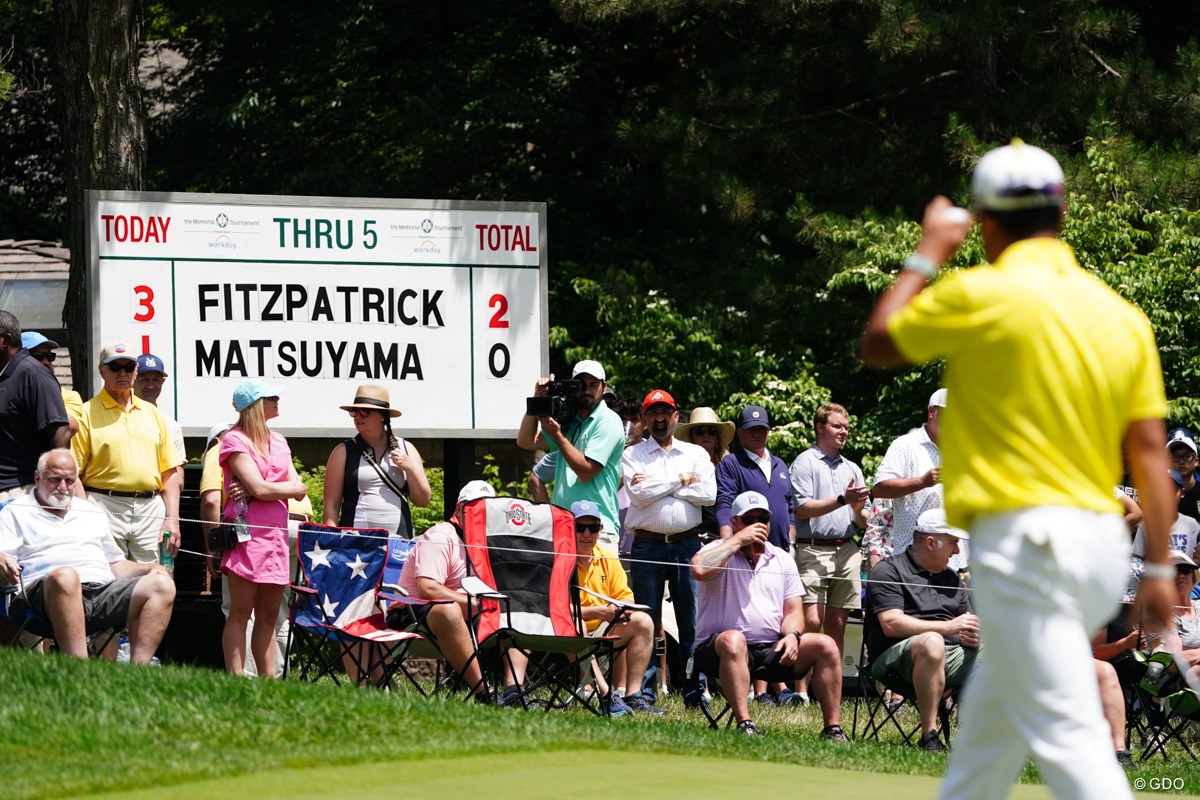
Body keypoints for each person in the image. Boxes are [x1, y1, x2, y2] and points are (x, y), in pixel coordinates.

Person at [861, 139, 1175, 800]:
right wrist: (1158, 568)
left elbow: (880, 341)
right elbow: (1150, 454)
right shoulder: (1119, 315)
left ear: (985, 220)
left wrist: (931, 250)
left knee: (1066, 740)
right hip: (1097, 548)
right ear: (1060, 213)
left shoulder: (979, 291)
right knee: (988, 738)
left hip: (1027, 544)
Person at [690, 491, 847, 739]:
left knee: (825, 644)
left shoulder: (782, 558)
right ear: (734, 522)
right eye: (748, 519)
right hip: (719, 650)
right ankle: (745, 724)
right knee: (733, 639)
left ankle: (833, 729)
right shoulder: (718, 550)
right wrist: (737, 541)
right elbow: (699, 569)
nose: (756, 525)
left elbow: (794, 611)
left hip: (770, 648)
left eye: (762, 518)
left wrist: (793, 635)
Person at [0, 449, 175, 662]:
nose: (63, 487)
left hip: (99, 593)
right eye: (55, 479)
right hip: (41, 597)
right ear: (38, 477)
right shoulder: (15, 511)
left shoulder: (90, 512)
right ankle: (80, 670)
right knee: (66, 576)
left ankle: (138, 673)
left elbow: (115, 564)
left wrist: (148, 569)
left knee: (162, 584)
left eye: (69, 480)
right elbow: (3, 556)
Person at [620, 389, 715, 700]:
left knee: (691, 621)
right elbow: (639, 496)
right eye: (653, 413)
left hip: (687, 545)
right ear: (645, 419)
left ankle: (694, 690)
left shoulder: (697, 455)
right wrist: (681, 480)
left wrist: (658, 485)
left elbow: (708, 496)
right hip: (647, 545)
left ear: (676, 416)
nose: (659, 419)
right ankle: (644, 692)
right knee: (646, 621)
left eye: (666, 412)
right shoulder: (632, 454)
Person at [865, 508, 979, 753]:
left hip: (948, 654)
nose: (957, 551)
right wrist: (948, 627)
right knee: (932, 642)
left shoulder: (952, 579)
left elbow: (966, 622)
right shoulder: (888, 571)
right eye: (952, 543)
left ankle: (981, 736)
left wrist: (974, 635)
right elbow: (891, 624)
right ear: (930, 542)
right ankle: (929, 735)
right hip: (893, 660)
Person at [218, 379, 308, 677]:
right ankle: (236, 679)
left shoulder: (280, 440)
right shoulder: (234, 440)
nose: (277, 400)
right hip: (248, 536)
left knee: (270, 615)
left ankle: (269, 683)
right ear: (254, 406)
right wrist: (262, 489)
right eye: (271, 397)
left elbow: (300, 488)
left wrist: (259, 489)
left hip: (276, 537)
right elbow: (271, 487)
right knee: (241, 612)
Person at [72, 342, 183, 564]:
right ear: (102, 370)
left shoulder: (152, 413)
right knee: (108, 580)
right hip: (103, 504)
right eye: (115, 367)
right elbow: (73, 472)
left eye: (129, 367)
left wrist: (172, 519)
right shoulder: (85, 413)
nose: (122, 373)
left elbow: (169, 472)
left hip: (150, 507)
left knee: (155, 579)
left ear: (136, 371)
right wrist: (85, 514)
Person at [390, 479, 500, 703]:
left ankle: (513, 691)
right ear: (459, 509)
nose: (482, 515)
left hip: (467, 620)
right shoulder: (441, 536)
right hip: (412, 617)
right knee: (448, 610)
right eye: (475, 508)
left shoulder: (485, 544)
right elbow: (428, 590)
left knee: (515, 610)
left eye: (488, 510)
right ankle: (484, 694)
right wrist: (477, 605)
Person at [789, 402, 868, 695]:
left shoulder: (853, 468)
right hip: (812, 549)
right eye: (837, 426)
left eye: (846, 427)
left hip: (847, 549)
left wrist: (858, 510)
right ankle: (800, 690)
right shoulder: (805, 462)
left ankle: (829, 688)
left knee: (837, 623)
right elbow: (802, 508)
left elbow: (862, 519)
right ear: (820, 427)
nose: (844, 431)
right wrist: (842, 500)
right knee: (811, 620)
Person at [517, 360, 624, 550]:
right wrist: (537, 400)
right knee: (565, 582)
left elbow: (586, 471)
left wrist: (557, 435)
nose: (587, 390)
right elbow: (526, 441)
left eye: (593, 384)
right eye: (581, 385)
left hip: (597, 531)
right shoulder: (569, 421)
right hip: (565, 528)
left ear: (603, 386)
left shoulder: (608, 421)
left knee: (595, 582)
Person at [571, 499, 660, 714]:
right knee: (577, 625)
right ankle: (605, 694)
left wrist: (623, 609)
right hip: (569, 628)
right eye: (579, 527)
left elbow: (625, 597)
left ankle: (633, 694)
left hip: (605, 626)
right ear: (568, 528)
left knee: (643, 621)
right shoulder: (559, 559)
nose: (586, 533)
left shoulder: (608, 557)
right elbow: (556, 612)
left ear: (600, 529)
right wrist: (600, 611)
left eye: (592, 527)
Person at [322, 384, 432, 536]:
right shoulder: (342, 451)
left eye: (365, 412)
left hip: (397, 543)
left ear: (382, 416)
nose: (357, 417)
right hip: (354, 545)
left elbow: (423, 501)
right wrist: (332, 542)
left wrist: (409, 468)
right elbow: (331, 506)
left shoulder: (407, 449)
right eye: (354, 412)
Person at [0, 312, 71, 502]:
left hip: (19, 490)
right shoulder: (5, 373)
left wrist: (52, 486)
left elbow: (61, 432)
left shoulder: (34, 374)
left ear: (4, 341)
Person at [871, 389, 949, 560]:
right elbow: (879, 488)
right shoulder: (905, 445)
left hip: (954, 557)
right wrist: (922, 481)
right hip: (913, 557)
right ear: (932, 412)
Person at [715, 405, 795, 550]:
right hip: (747, 551)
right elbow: (725, 503)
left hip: (781, 552)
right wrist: (727, 543)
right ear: (739, 432)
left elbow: (790, 508)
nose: (757, 434)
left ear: (768, 432)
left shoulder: (780, 464)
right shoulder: (731, 463)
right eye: (751, 429)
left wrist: (792, 543)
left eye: (761, 429)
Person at [675, 406, 734, 540]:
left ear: (717, 436)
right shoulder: (680, 464)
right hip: (694, 537)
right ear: (691, 436)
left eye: (712, 431)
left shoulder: (729, 465)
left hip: (727, 536)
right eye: (700, 431)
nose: (706, 435)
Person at [21, 331, 81, 433]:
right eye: (37, 356)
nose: (46, 361)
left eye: (50, 356)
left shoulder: (68, 396)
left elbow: (68, 426)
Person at [133, 354, 186, 464]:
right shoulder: (121, 417)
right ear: (133, 380)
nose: (151, 385)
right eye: (144, 380)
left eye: (156, 380)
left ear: (163, 381)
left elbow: (178, 472)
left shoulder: (171, 426)